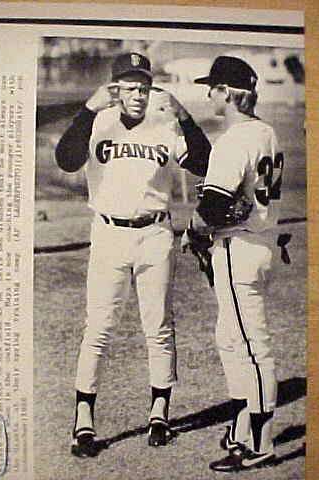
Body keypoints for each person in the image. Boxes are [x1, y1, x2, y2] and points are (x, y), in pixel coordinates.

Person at [55, 52, 211, 457]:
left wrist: (187, 117)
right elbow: (66, 160)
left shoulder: (164, 121)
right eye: (129, 87)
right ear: (115, 90)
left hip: (155, 233)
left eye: (144, 86)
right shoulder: (99, 122)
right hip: (108, 233)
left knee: (157, 325)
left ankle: (159, 412)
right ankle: (83, 419)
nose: (138, 94)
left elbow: (203, 162)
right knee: (99, 327)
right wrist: (88, 110)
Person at [185, 56, 285, 471]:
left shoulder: (232, 141)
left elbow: (214, 207)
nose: (209, 94)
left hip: (239, 250)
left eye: (213, 88)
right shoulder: (267, 131)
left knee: (251, 346)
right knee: (231, 339)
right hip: (261, 244)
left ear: (226, 94)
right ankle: (241, 427)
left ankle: (261, 444)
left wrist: (192, 231)